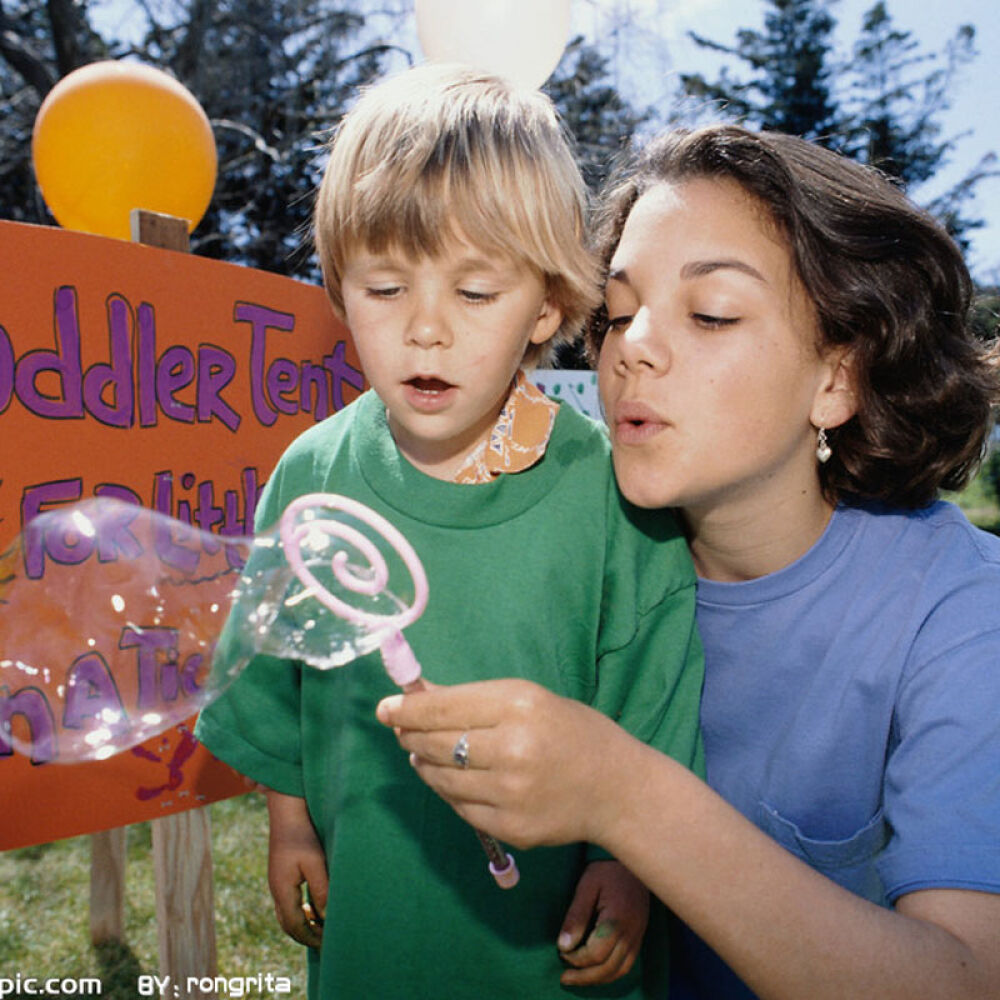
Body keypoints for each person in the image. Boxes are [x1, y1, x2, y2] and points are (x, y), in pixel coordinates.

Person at [377, 123, 1000, 999]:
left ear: (839, 381)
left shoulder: (967, 615)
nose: (631, 348)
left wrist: (624, 797)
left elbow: (967, 979)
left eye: (710, 313)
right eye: (620, 313)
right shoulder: (572, 554)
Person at [195, 65, 705, 1000]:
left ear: (546, 307)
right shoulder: (311, 475)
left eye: (475, 294)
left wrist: (629, 865)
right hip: (374, 931)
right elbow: (274, 675)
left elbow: (654, 700)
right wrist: (292, 827)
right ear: (337, 290)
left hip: (556, 948)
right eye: (384, 288)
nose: (424, 330)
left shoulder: (612, 493)